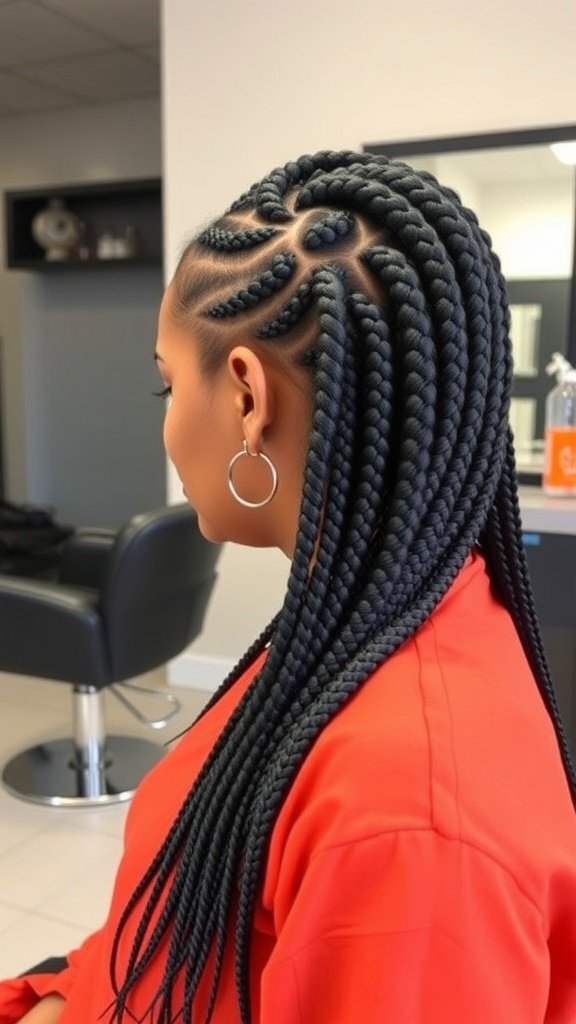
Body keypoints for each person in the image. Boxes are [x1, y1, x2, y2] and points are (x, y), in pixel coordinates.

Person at [1, 150, 575, 1024]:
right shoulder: (368, 620)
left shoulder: (410, 822)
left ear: (246, 397)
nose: (165, 421)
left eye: (165, 383)